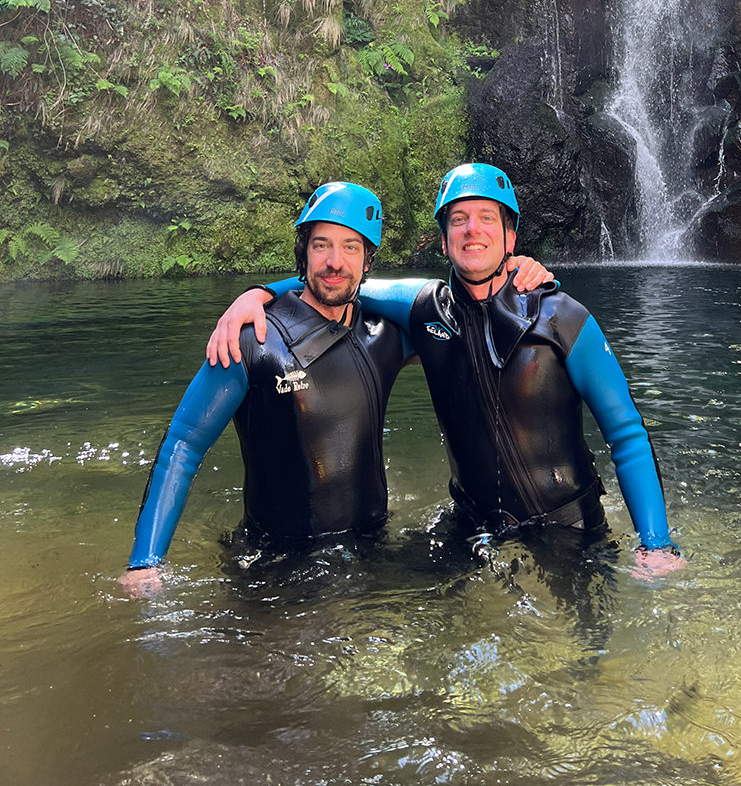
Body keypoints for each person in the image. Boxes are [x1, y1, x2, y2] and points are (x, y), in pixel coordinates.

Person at [209, 164, 685, 577]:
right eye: (458, 220)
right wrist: (259, 292)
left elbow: (626, 435)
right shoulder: (423, 309)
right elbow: (335, 279)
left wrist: (656, 543)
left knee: (584, 669)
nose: (471, 230)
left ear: (510, 236)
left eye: (485, 218)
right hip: (468, 527)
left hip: (567, 527)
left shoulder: (562, 316)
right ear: (443, 239)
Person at [118, 179, 550, 597]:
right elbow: (183, 445)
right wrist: (145, 563)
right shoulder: (250, 339)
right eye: (322, 244)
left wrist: (524, 277)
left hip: (373, 549)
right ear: (303, 252)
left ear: (367, 262)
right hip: (275, 562)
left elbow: (474, 319)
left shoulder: (386, 337)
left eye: (350, 247)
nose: (334, 262)